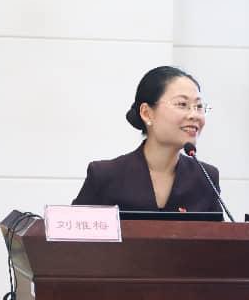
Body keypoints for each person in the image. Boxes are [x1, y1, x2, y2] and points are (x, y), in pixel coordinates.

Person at [72, 66, 223, 213]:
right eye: (182, 104)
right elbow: (73, 227)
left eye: (199, 106)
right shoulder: (105, 176)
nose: (194, 115)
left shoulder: (205, 178)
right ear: (147, 113)